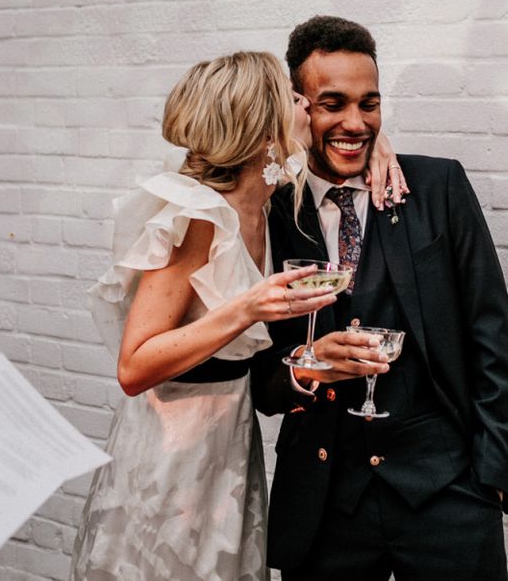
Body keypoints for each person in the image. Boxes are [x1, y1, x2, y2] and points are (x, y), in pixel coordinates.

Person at [70, 51, 401, 580]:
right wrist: (246, 308)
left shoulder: (271, 207)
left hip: (230, 442)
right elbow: (133, 366)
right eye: (297, 100)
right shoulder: (198, 216)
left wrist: (378, 146)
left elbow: (340, 145)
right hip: (169, 454)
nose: (308, 105)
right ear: (264, 126)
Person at [252, 16, 508, 580]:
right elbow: (260, 378)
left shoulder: (437, 188)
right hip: (326, 505)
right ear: (299, 108)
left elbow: (490, 332)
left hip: (447, 494)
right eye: (333, 104)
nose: (356, 123)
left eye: (369, 104)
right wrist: (310, 367)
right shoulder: (270, 213)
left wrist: (492, 479)